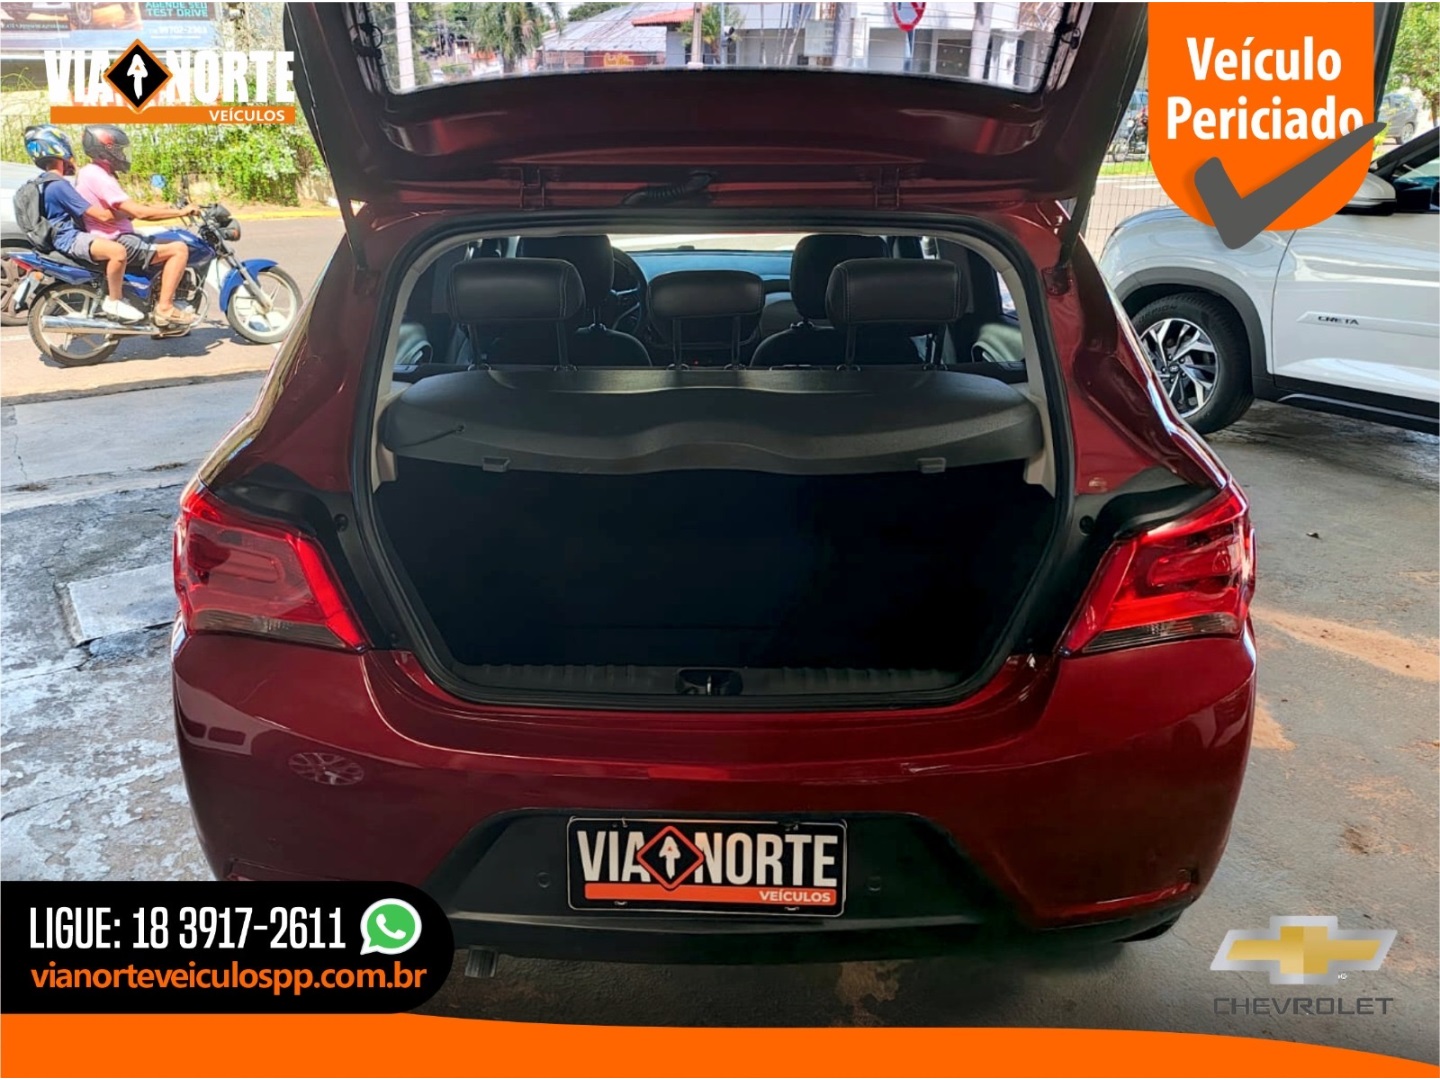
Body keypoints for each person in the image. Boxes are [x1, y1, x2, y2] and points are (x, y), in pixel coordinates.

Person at [73, 124, 198, 328]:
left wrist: (162, 208)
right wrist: (180, 212)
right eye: (119, 150)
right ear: (105, 150)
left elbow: (126, 209)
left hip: (110, 235)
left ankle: (157, 311)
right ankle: (165, 308)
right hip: (116, 239)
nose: (123, 155)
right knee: (179, 249)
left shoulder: (92, 172)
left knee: (162, 241)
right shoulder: (99, 176)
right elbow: (139, 213)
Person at [22, 124, 146, 325]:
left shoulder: (45, 182)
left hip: (62, 236)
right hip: (69, 238)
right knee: (117, 252)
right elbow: (102, 216)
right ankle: (115, 301)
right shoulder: (59, 185)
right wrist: (129, 212)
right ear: (59, 148)